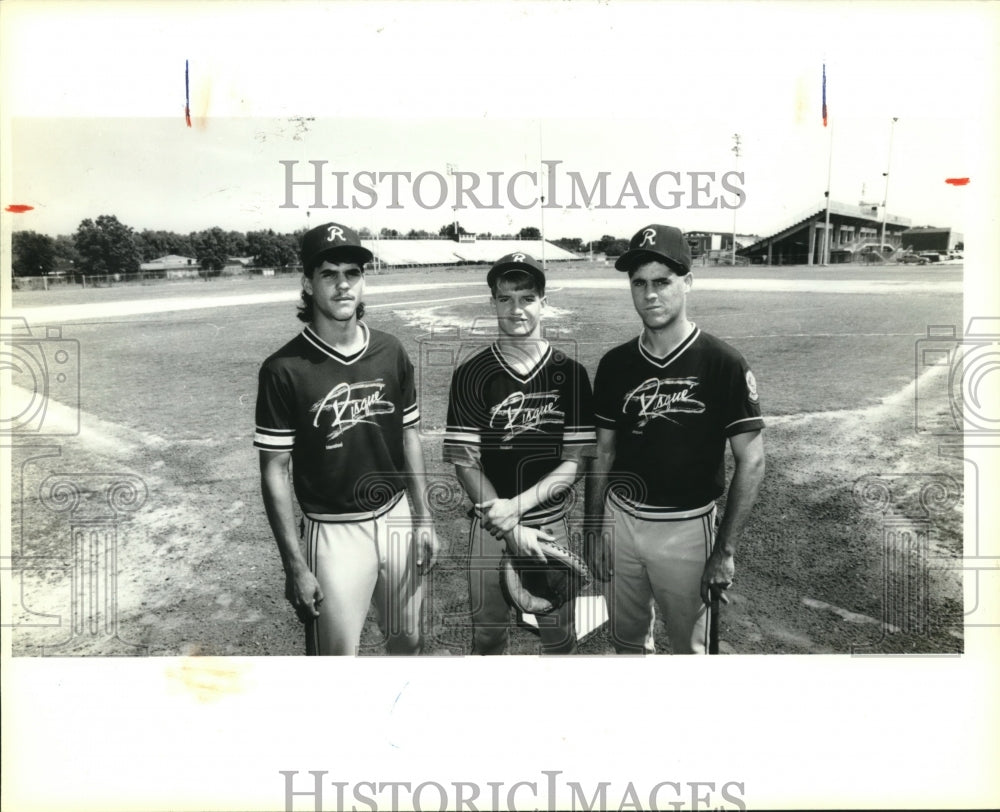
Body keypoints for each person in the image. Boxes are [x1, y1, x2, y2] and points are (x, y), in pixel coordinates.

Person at [255, 221, 439, 655]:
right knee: (337, 663)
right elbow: (275, 470)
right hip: (334, 533)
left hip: (395, 519)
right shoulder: (284, 368)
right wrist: (294, 564)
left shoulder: (390, 350)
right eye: (329, 274)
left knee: (408, 643)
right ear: (307, 283)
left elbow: (409, 435)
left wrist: (424, 516)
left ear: (363, 281)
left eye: (352, 273)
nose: (342, 285)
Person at [584, 224, 765, 654]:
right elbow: (603, 452)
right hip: (620, 522)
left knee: (691, 649)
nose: (650, 294)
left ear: (687, 282)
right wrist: (594, 529)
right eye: (639, 283)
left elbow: (752, 460)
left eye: (662, 282)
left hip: (687, 528)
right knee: (626, 641)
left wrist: (724, 551)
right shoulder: (615, 364)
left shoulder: (722, 363)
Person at [444, 252, 596, 654]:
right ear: (493, 302)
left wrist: (520, 508)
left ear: (543, 303)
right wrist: (509, 526)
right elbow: (465, 462)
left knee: (558, 638)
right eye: (505, 298)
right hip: (492, 527)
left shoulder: (572, 375)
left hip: (550, 526)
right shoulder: (471, 375)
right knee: (489, 636)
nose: (516, 309)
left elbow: (576, 460)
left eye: (527, 297)